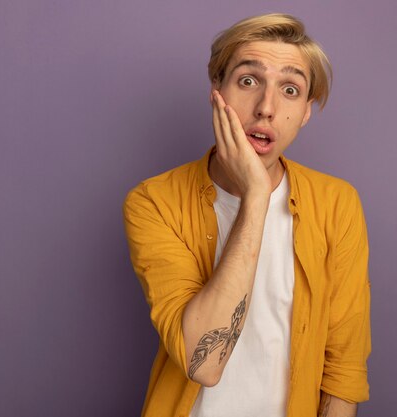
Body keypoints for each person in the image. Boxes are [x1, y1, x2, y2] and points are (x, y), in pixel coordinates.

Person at [123, 13, 370, 417]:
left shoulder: (337, 203)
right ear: (216, 91)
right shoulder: (153, 202)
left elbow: (344, 371)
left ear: (306, 112)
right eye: (249, 80)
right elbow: (204, 365)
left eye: (290, 89)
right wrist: (256, 197)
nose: (266, 108)